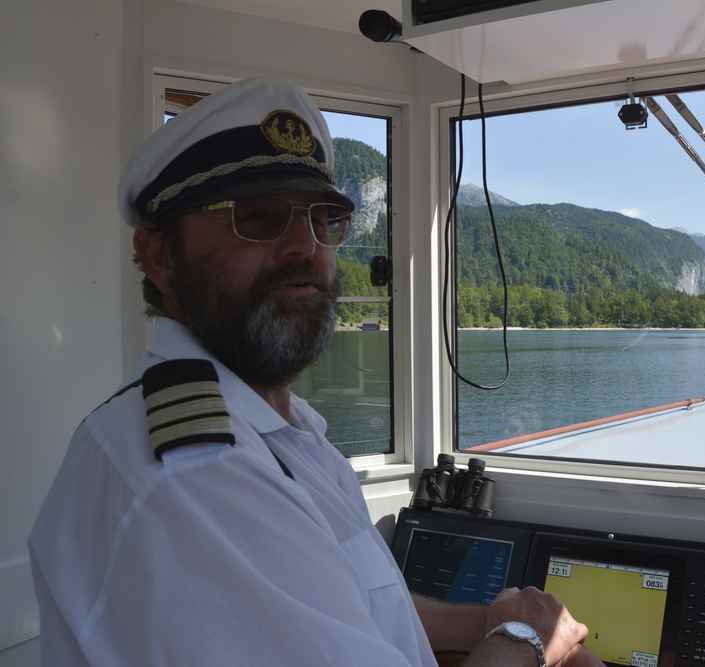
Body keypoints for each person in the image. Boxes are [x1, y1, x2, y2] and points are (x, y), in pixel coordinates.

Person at [29, 78, 600, 666]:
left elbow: (353, 608)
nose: (305, 247)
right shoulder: (194, 476)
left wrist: (489, 621)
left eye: (322, 220)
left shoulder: (287, 433)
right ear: (158, 253)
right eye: (258, 217)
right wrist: (528, 642)